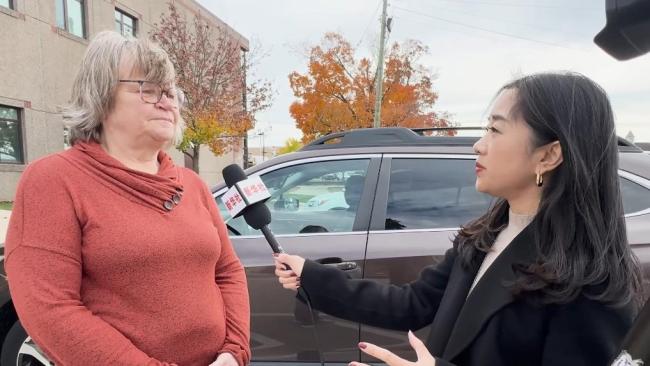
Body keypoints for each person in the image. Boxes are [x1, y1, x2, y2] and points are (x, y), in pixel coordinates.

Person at [274, 71, 643, 366]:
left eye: (496, 129)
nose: (479, 144)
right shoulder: (485, 235)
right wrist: (312, 277)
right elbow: (412, 304)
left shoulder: (592, 281)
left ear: (548, 156)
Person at [4, 31, 250, 366]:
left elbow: (228, 271)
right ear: (100, 95)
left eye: (171, 92)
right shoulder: (54, 180)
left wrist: (234, 352)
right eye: (148, 89)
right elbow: (48, 307)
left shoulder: (192, 185)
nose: (167, 101)